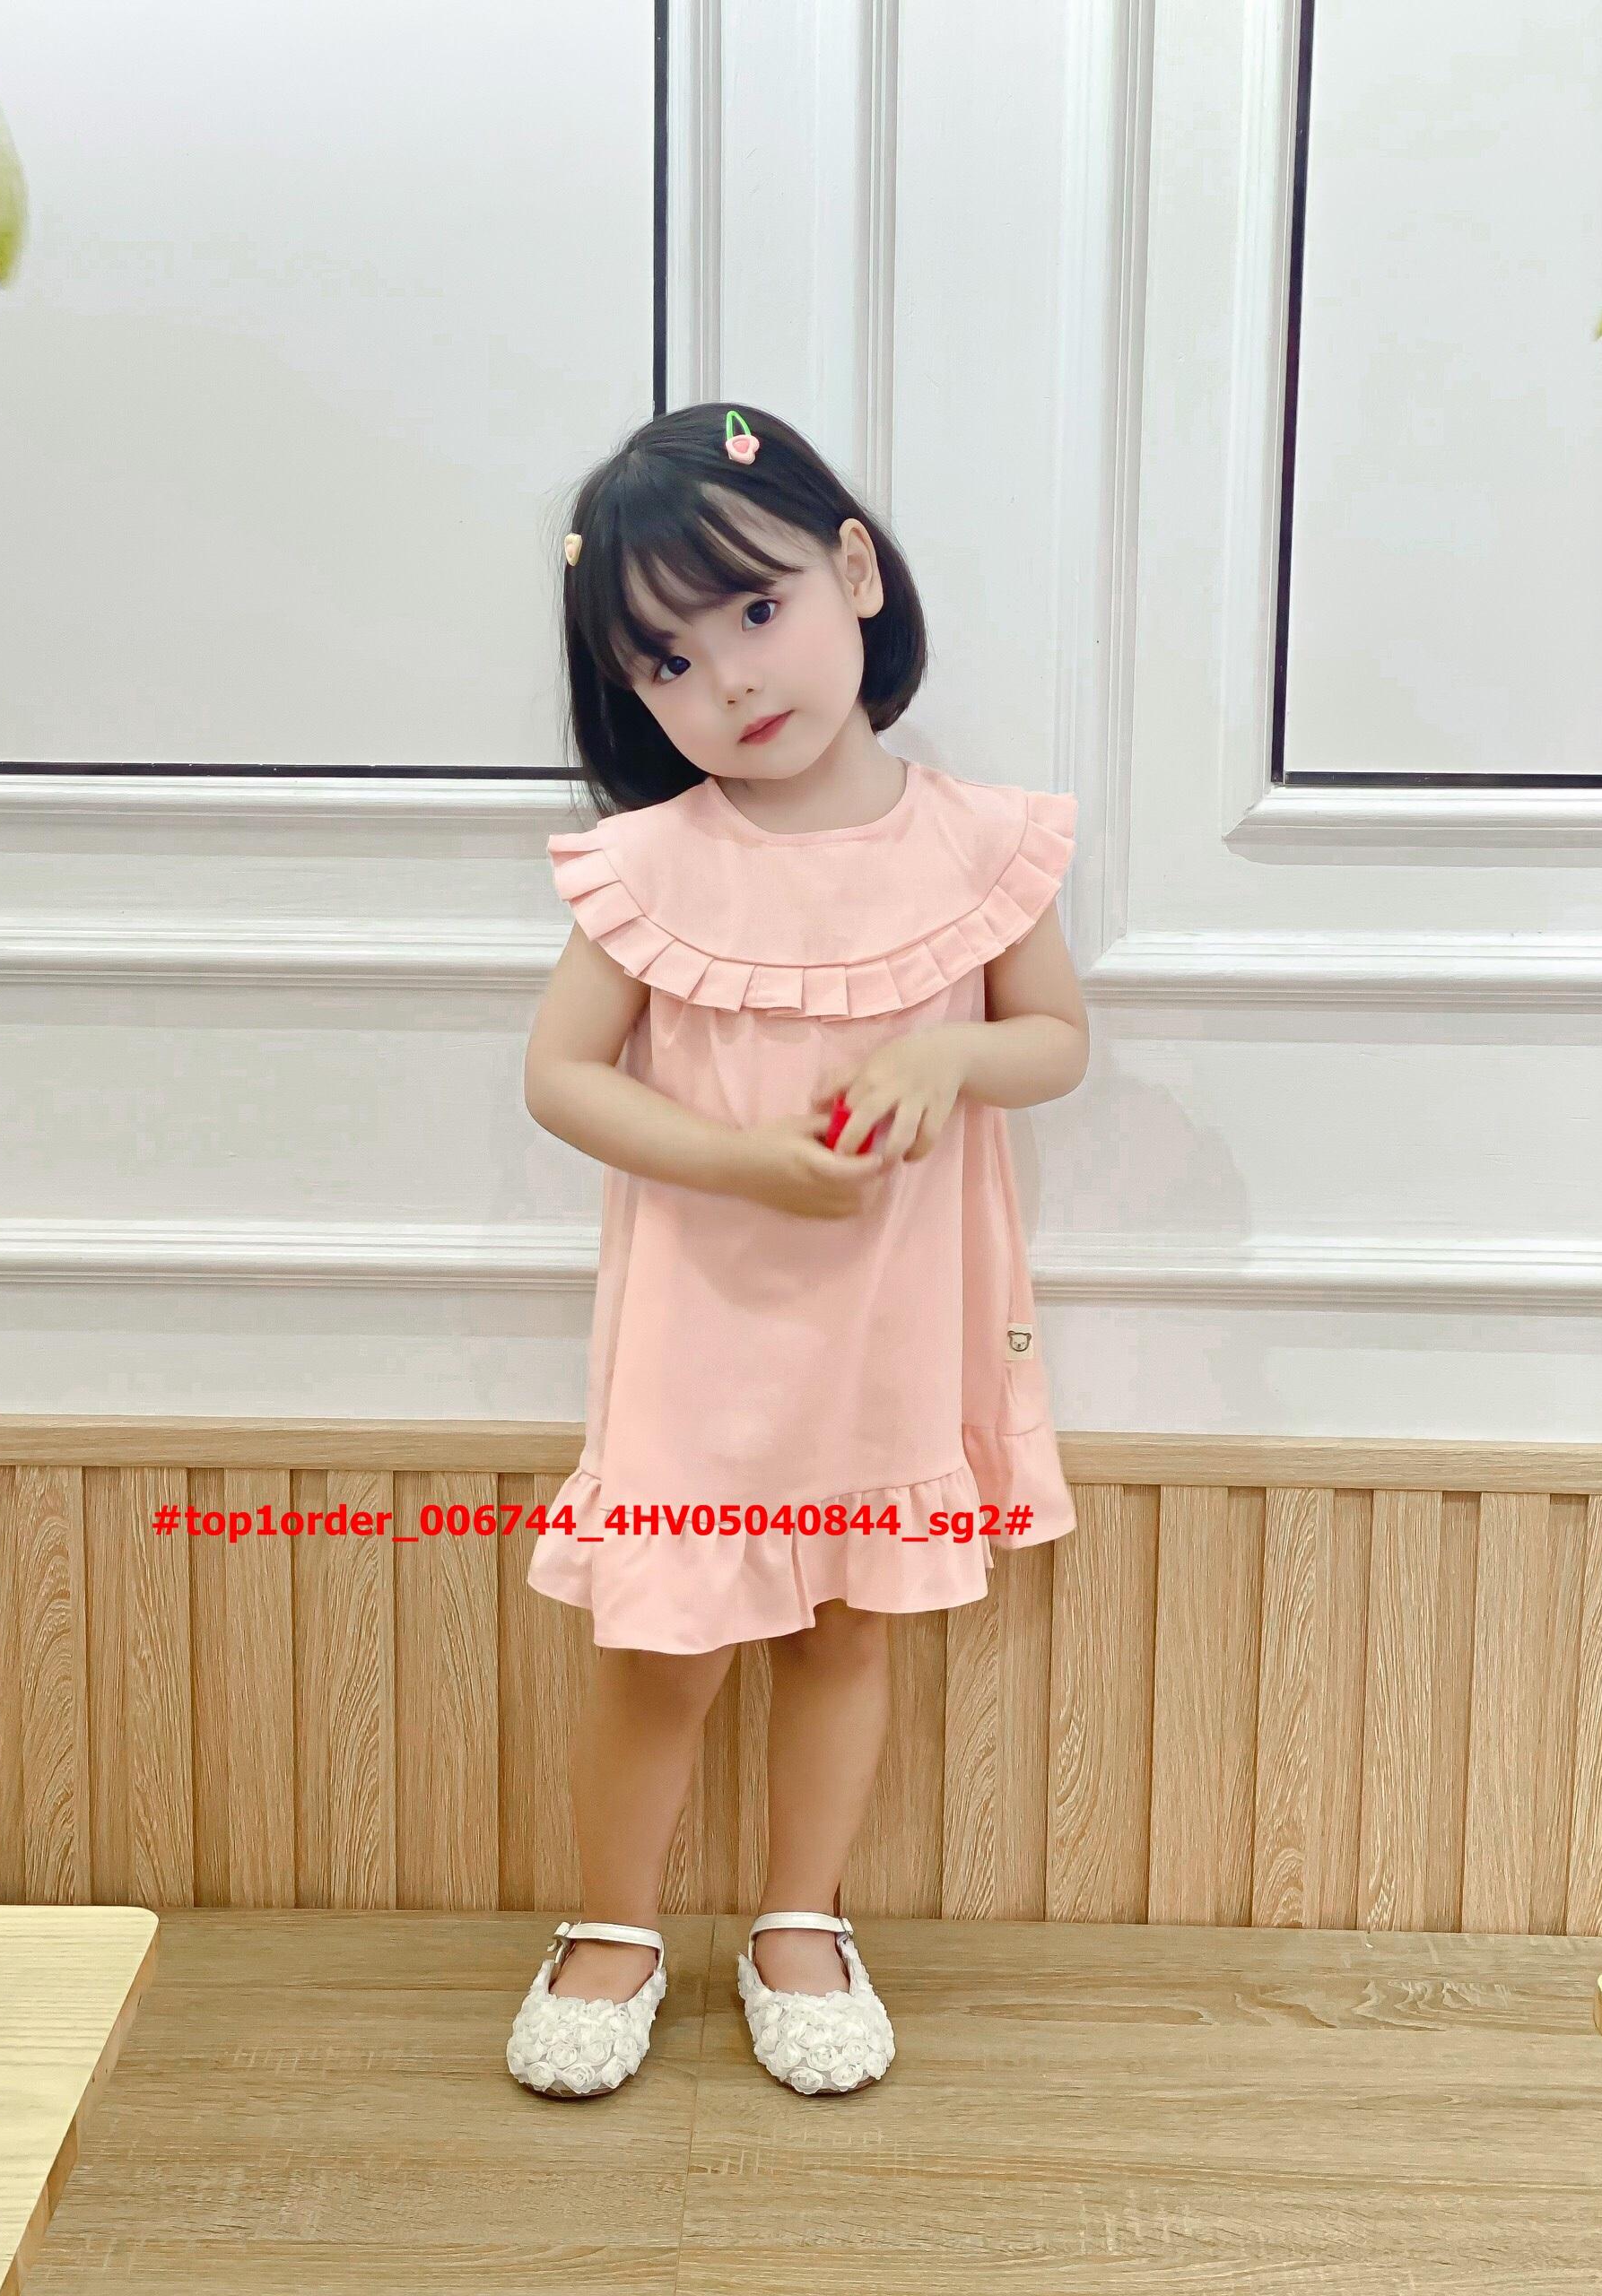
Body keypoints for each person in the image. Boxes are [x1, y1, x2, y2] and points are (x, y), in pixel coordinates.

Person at [506, 403, 1087, 2100]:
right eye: (668, 662)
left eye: (755, 610)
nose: (731, 679)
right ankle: (611, 1927)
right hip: (701, 1334)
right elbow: (560, 1079)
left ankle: (798, 1920)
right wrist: (747, 1162)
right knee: (662, 1644)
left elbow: (1052, 1040)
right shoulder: (650, 868)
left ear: (852, 573)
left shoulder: (982, 843)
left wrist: (947, 1056)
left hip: (890, 1326)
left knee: (846, 1628)